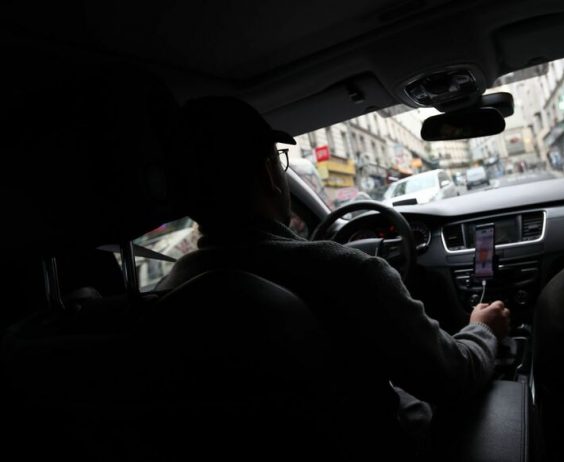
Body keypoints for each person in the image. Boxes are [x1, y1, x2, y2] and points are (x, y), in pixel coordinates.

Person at [160, 96, 510, 454]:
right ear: (268, 174)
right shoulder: (348, 273)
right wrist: (482, 329)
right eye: (279, 161)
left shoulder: (165, 297)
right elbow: (452, 377)